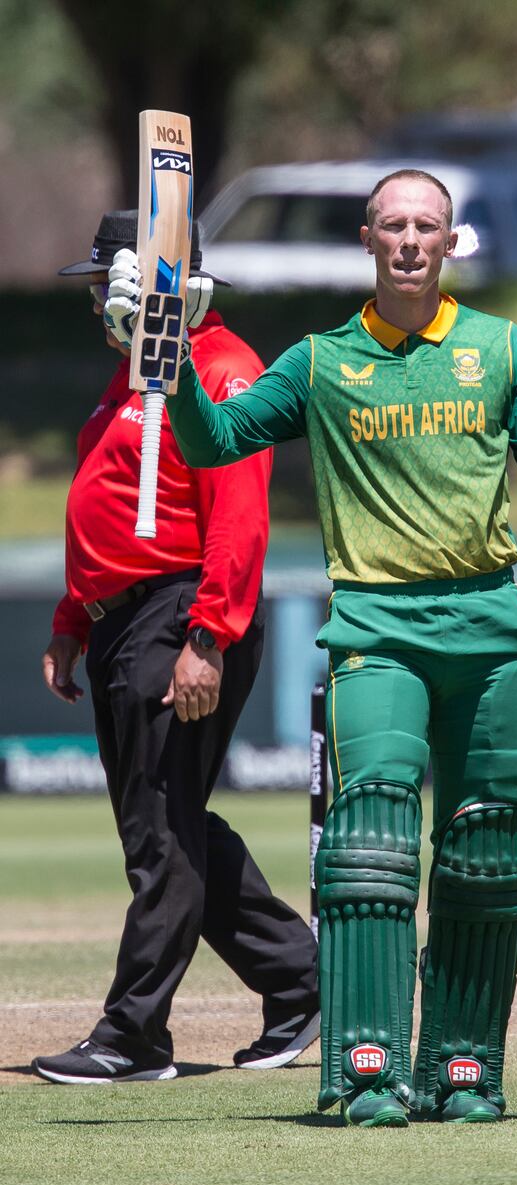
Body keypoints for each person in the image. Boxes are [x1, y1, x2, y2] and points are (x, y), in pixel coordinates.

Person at [109, 170, 517, 1124]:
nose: (412, 242)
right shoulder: (321, 361)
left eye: (429, 226)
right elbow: (216, 442)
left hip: (491, 634)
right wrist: (165, 358)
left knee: (484, 852)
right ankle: (367, 1072)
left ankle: (465, 1074)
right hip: (377, 628)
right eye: (394, 226)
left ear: (452, 241)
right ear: (367, 239)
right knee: (370, 845)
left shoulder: (500, 349)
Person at [32, 211, 319, 1085]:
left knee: (161, 831)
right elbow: (113, 509)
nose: (94, 305)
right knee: (169, 826)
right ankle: (307, 985)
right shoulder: (131, 378)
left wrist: (207, 637)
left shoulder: (224, 371)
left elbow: (239, 521)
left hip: (182, 615)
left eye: (102, 285)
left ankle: (135, 1035)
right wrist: (74, 618)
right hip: (128, 621)